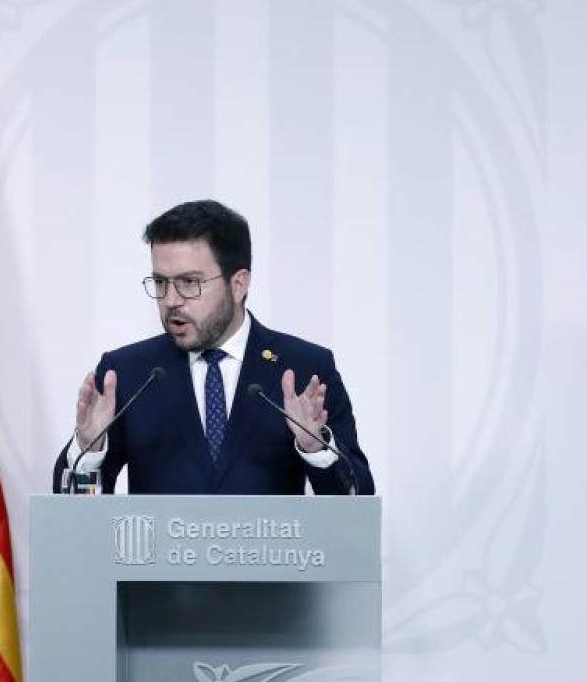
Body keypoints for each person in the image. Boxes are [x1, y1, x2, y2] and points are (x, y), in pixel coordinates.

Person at [52, 200, 375, 495]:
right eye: (161, 282)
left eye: (189, 282)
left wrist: (315, 447)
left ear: (239, 284)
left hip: (270, 558)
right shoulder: (127, 373)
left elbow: (356, 498)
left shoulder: (304, 369)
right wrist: (88, 450)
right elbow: (76, 514)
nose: (171, 300)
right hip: (160, 560)